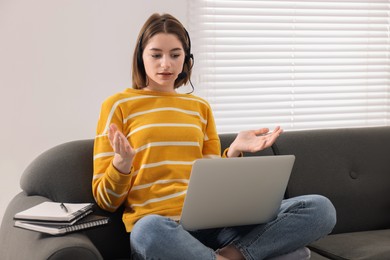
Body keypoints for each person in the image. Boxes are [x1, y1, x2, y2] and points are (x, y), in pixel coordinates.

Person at [92, 13, 336, 260]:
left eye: (175, 55)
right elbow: (106, 201)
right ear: (141, 57)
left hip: (215, 228)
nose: (165, 64)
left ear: (186, 60)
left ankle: (230, 255)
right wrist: (121, 165)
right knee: (146, 230)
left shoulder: (200, 107)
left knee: (320, 209)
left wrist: (234, 151)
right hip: (165, 232)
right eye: (156, 55)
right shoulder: (118, 105)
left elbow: (212, 183)